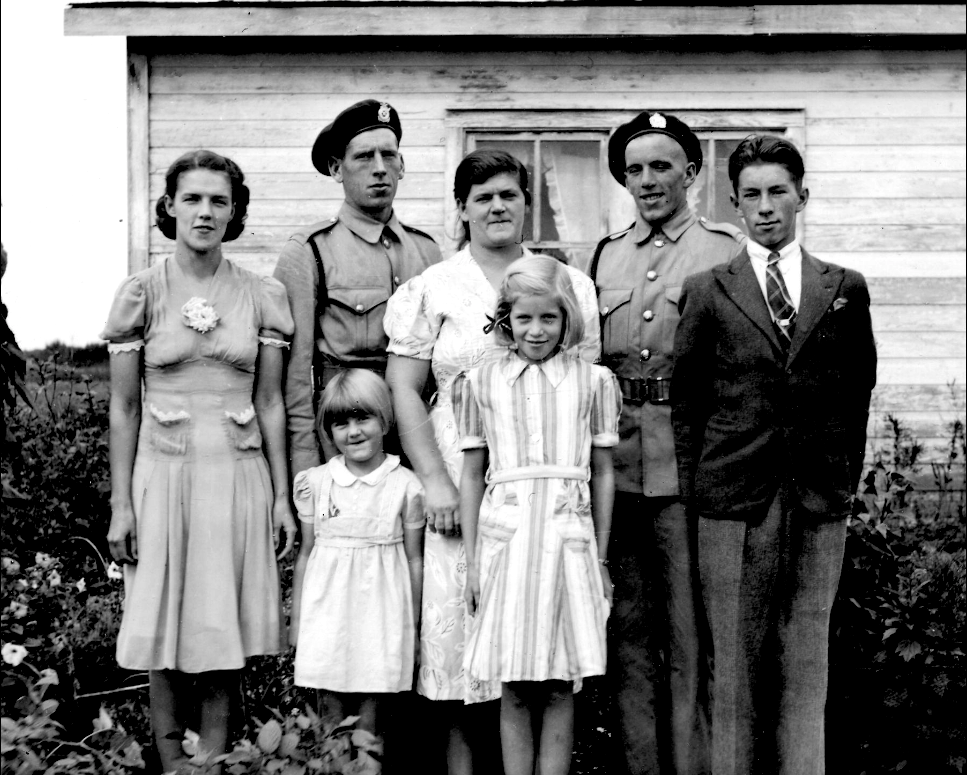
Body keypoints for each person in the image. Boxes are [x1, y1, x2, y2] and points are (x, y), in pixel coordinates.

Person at [383, 149, 600, 773]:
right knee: (460, 644)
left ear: (527, 203)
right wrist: (436, 481)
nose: (497, 206)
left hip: (543, 486)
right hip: (460, 473)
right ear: (462, 209)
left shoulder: (566, 283)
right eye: (482, 197)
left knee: (538, 652)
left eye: (509, 194)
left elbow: (580, 391)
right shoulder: (433, 287)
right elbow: (404, 387)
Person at [672, 135, 876, 774]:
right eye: (751, 195)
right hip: (732, 501)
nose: (765, 207)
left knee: (807, 661)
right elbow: (688, 405)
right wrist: (700, 494)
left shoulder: (843, 287)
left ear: (801, 197)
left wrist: (840, 481)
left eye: (778, 192)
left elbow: (857, 394)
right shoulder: (708, 289)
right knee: (733, 665)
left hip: (817, 498)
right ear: (734, 204)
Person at [102, 150, 297, 773]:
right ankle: (170, 767)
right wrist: (121, 505)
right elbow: (124, 407)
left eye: (219, 200)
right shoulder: (142, 292)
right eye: (192, 198)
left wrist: (281, 497)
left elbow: (270, 401)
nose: (205, 212)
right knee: (162, 627)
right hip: (163, 475)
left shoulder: (261, 294)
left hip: (237, 474)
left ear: (235, 211)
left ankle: (211, 764)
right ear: (169, 206)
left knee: (220, 629)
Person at [588, 110, 746, 775]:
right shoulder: (606, 253)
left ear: (692, 171)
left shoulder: (725, 249)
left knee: (689, 636)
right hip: (616, 469)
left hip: (690, 466)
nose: (647, 180)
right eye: (634, 170)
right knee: (626, 635)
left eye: (661, 165)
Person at [455, 255, 621, 775]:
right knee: (513, 681)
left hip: (567, 537)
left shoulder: (592, 381)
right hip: (505, 540)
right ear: (506, 317)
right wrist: (474, 562)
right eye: (524, 318)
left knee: (560, 680)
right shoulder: (481, 382)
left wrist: (600, 559)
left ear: (567, 317)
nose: (536, 330)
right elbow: (471, 475)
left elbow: (603, 473)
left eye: (549, 318)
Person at [274, 98, 442, 472]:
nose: (380, 168)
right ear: (337, 168)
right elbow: (295, 378)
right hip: (343, 446)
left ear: (402, 165)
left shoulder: (427, 251)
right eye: (364, 157)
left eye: (389, 155)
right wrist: (307, 468)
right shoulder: (310, 251)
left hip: (416, 446)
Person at [290, 369, 425, 743]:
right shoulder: (319, 484)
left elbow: (414, 560)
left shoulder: (405, 485)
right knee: (330, 711)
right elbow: (308, 551)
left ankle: (367, 765)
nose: (353, 432)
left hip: (381, 612)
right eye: (341, 423)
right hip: (327, 611)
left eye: (362, 418)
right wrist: (297, 620)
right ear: (329, 431)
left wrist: (413, 628)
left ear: (384, 420)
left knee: (370, 716)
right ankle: (332, 765)